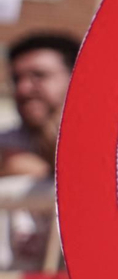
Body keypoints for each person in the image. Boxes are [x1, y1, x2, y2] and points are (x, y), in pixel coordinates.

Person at [0, 32, 79, 178]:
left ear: (76, 79)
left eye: (39, 75)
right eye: (16, 79)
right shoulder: (7, 144)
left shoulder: (114, 141)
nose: (22, 89)